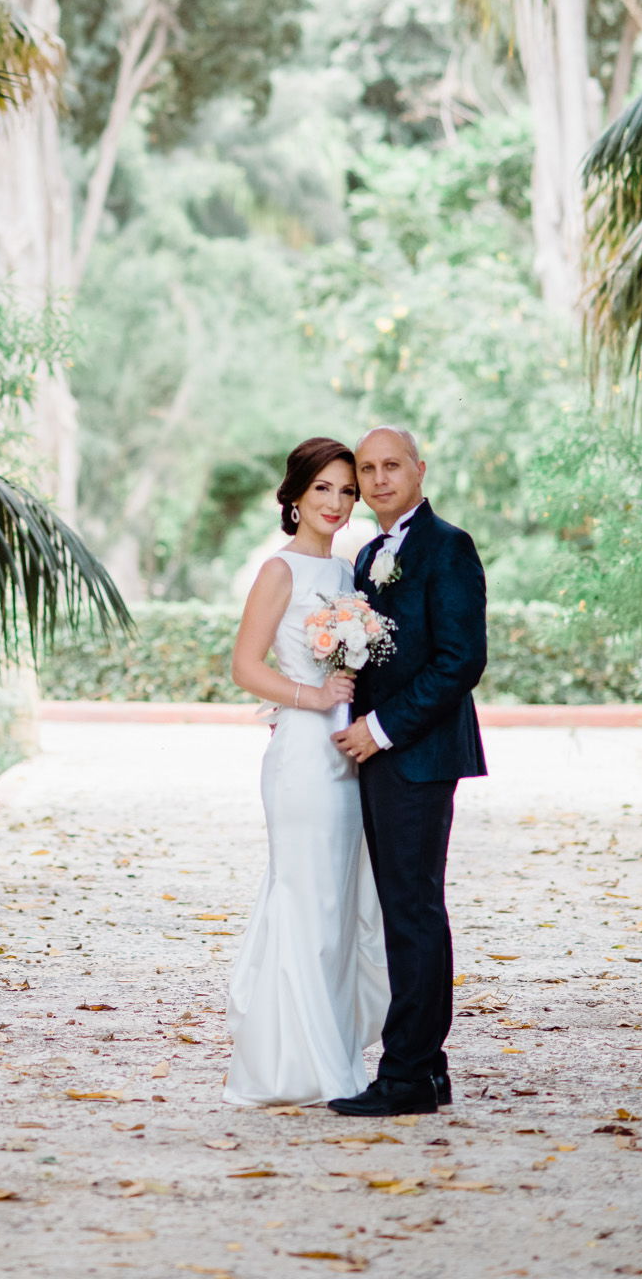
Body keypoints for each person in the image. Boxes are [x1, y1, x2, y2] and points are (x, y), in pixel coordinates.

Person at [327, 425, 487, 1118]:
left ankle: (405, 1074)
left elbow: (460, 660)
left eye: (391, 465)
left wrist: (381, 731)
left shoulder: (446, 547)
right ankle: (427, 1071)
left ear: (419, 469)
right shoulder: (367, 555)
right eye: (366, 468)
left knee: (413, 911)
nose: (378, 478)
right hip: (377, 755)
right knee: (400, 910)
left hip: (416, 757)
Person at [224, 437, 389, 1107]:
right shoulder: (279, 571)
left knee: (343, 906)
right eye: (323, 488)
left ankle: (334, 1050)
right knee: (305, 899)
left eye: (347, 491)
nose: (337, 502)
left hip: (349, 752)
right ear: (294, 497)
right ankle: (301, 1065)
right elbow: (244, 665)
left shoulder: (349, 573)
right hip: (300, 752)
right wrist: (312, 696)